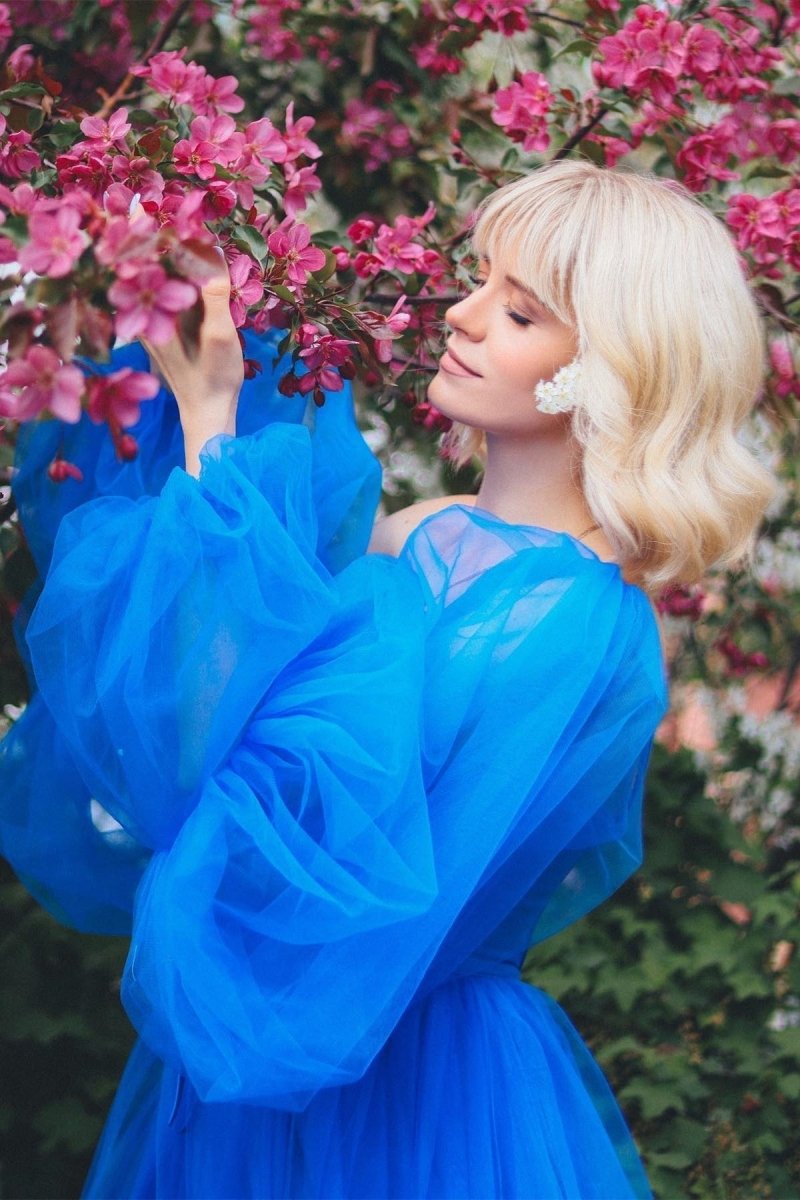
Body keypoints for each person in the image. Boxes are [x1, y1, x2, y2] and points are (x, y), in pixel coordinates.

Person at [0, 160, 773, 1199]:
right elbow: (211, 735)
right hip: (296, 1059)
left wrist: (213, 434)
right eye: (479, 280)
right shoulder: (422, 534)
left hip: (399, 1088)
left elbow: (311, 861)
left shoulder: (576, 621)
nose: (460, 314)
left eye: (518, 312)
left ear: (614, 370)